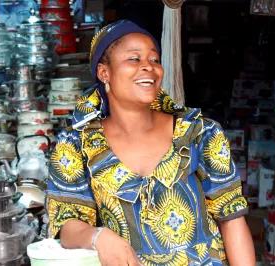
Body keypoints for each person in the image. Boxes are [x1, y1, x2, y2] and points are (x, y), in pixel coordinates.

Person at [47, 20, 255, 266]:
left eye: (154, 59)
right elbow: (67, 225)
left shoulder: (198, 133)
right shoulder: (76, 145)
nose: (148, 67)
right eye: (134, 59)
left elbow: (231, 218)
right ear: (104, 73)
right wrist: (98, 237)